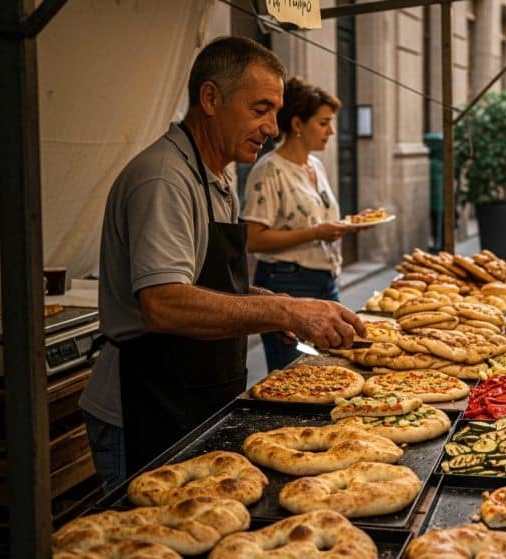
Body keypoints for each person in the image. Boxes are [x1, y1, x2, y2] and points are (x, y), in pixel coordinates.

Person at [80, 37, 366, 487]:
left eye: (275, 110)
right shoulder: (163, 179)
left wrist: (269, 301)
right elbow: (163, 302)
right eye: (260, 109)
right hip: (145, 404)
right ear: (210, 98)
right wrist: (284, 310)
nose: (272, 127)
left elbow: (203, 282)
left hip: (197, 394)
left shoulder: (218, 175)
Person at [242, 77, 355, 371]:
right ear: (297, 124)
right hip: (286, 282)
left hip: (325, 280)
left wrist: (341, 228)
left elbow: (318, 221)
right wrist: (317, 232)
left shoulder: (315, 165)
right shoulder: (269, 170)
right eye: (323, 122)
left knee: (333, 372)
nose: (331, 131)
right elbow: (253, 239)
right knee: (295, 378)